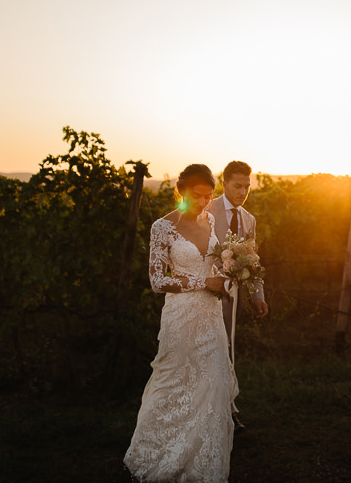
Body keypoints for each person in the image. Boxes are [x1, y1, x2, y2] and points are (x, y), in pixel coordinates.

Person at [123, 164, 238, 483]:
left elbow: (217, 264)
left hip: (210, 317)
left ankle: (202, 463)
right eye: (196, 196)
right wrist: (204, 282)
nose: (202, 203)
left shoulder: (212, 219)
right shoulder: (163, 227)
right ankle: (158, 454)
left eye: (208, 196)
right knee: (175, 382)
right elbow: (157, 280)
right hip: (181, 315)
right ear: (181, 192)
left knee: (211, 382)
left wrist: (228, 276)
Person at [209, 160, 269, 433]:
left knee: (229, 352)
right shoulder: (206, 211)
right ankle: (208, 412)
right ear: (224, 184)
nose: (243, 191)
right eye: (237, 186)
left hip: (234, 300)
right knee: (208, 353)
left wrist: (257, 295)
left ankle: (229, 411)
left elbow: (252, 261)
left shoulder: (249, 219)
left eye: (247, 186)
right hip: (205, 296)